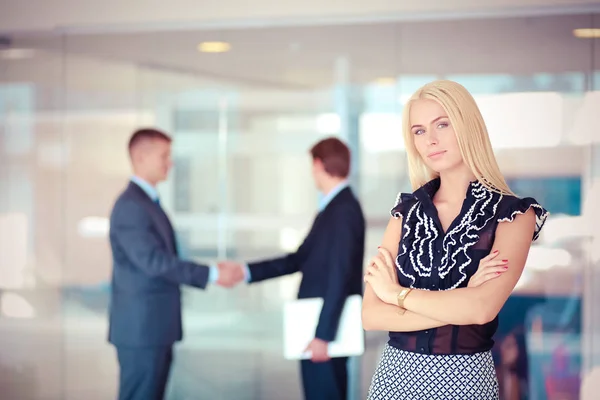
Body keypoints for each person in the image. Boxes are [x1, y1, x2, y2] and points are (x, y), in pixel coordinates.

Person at [361, 80, 549, 399]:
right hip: (393, 378)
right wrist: (460, 297)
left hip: (465, 380)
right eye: (419, 131)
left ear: (466, 126)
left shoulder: (515, 214)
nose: (430, 140)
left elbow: (479, 311)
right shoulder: (405, 212)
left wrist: (395, 294)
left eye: (442, 124)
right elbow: (371, 316)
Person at [221, 137, 365, 400]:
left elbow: (339, 276)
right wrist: (246, 271)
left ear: (319, 164)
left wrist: (323, 336)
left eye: (312, 166)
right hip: (319, 329)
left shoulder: (342, 210)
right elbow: (300, 259)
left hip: (324, 335)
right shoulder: (334, 208)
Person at [107, 128, 241, 400]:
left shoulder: (147, 202)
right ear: (140, 157)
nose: (170, 162)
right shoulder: (131, 206)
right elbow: (154, 262)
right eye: (164, 155)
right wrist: (212, 273)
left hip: (153, 328)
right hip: (141, 331)